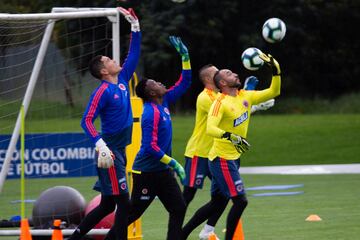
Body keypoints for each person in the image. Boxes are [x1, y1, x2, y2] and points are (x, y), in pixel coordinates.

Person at [183, 53, 281, 240]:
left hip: (230, 155)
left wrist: (276, 71)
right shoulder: (210, 99)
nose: (233, 73)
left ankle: (193, 233)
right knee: (237, 200)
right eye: (222, 73)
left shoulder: (241, 96)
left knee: (219, 201)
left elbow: (269, 93)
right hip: (208, 154)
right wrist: (233, 136)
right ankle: (180, 232)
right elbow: (216, 123)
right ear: (217, 81)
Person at [69, 7, 141, 240]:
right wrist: (100, 145)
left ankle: (74, 238)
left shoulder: (121, 80)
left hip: (119, 150)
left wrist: (135, 27)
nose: (114, 60)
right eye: (109, 59)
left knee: (108, 206)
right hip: (109, 153)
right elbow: (86, 120)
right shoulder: (102, 91)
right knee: (124, 203)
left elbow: (134, 55)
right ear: (103, 70)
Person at [128, 36, 191, 240]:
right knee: (132, 215)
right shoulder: (150, 112)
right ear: (150, 92)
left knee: (179, 208)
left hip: (162, 172)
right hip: (146, 172)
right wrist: (174, 163)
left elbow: (185, 82)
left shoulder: (163, 102)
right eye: (156, 82)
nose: (161, 82)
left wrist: (185, 57)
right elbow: (149, 147)